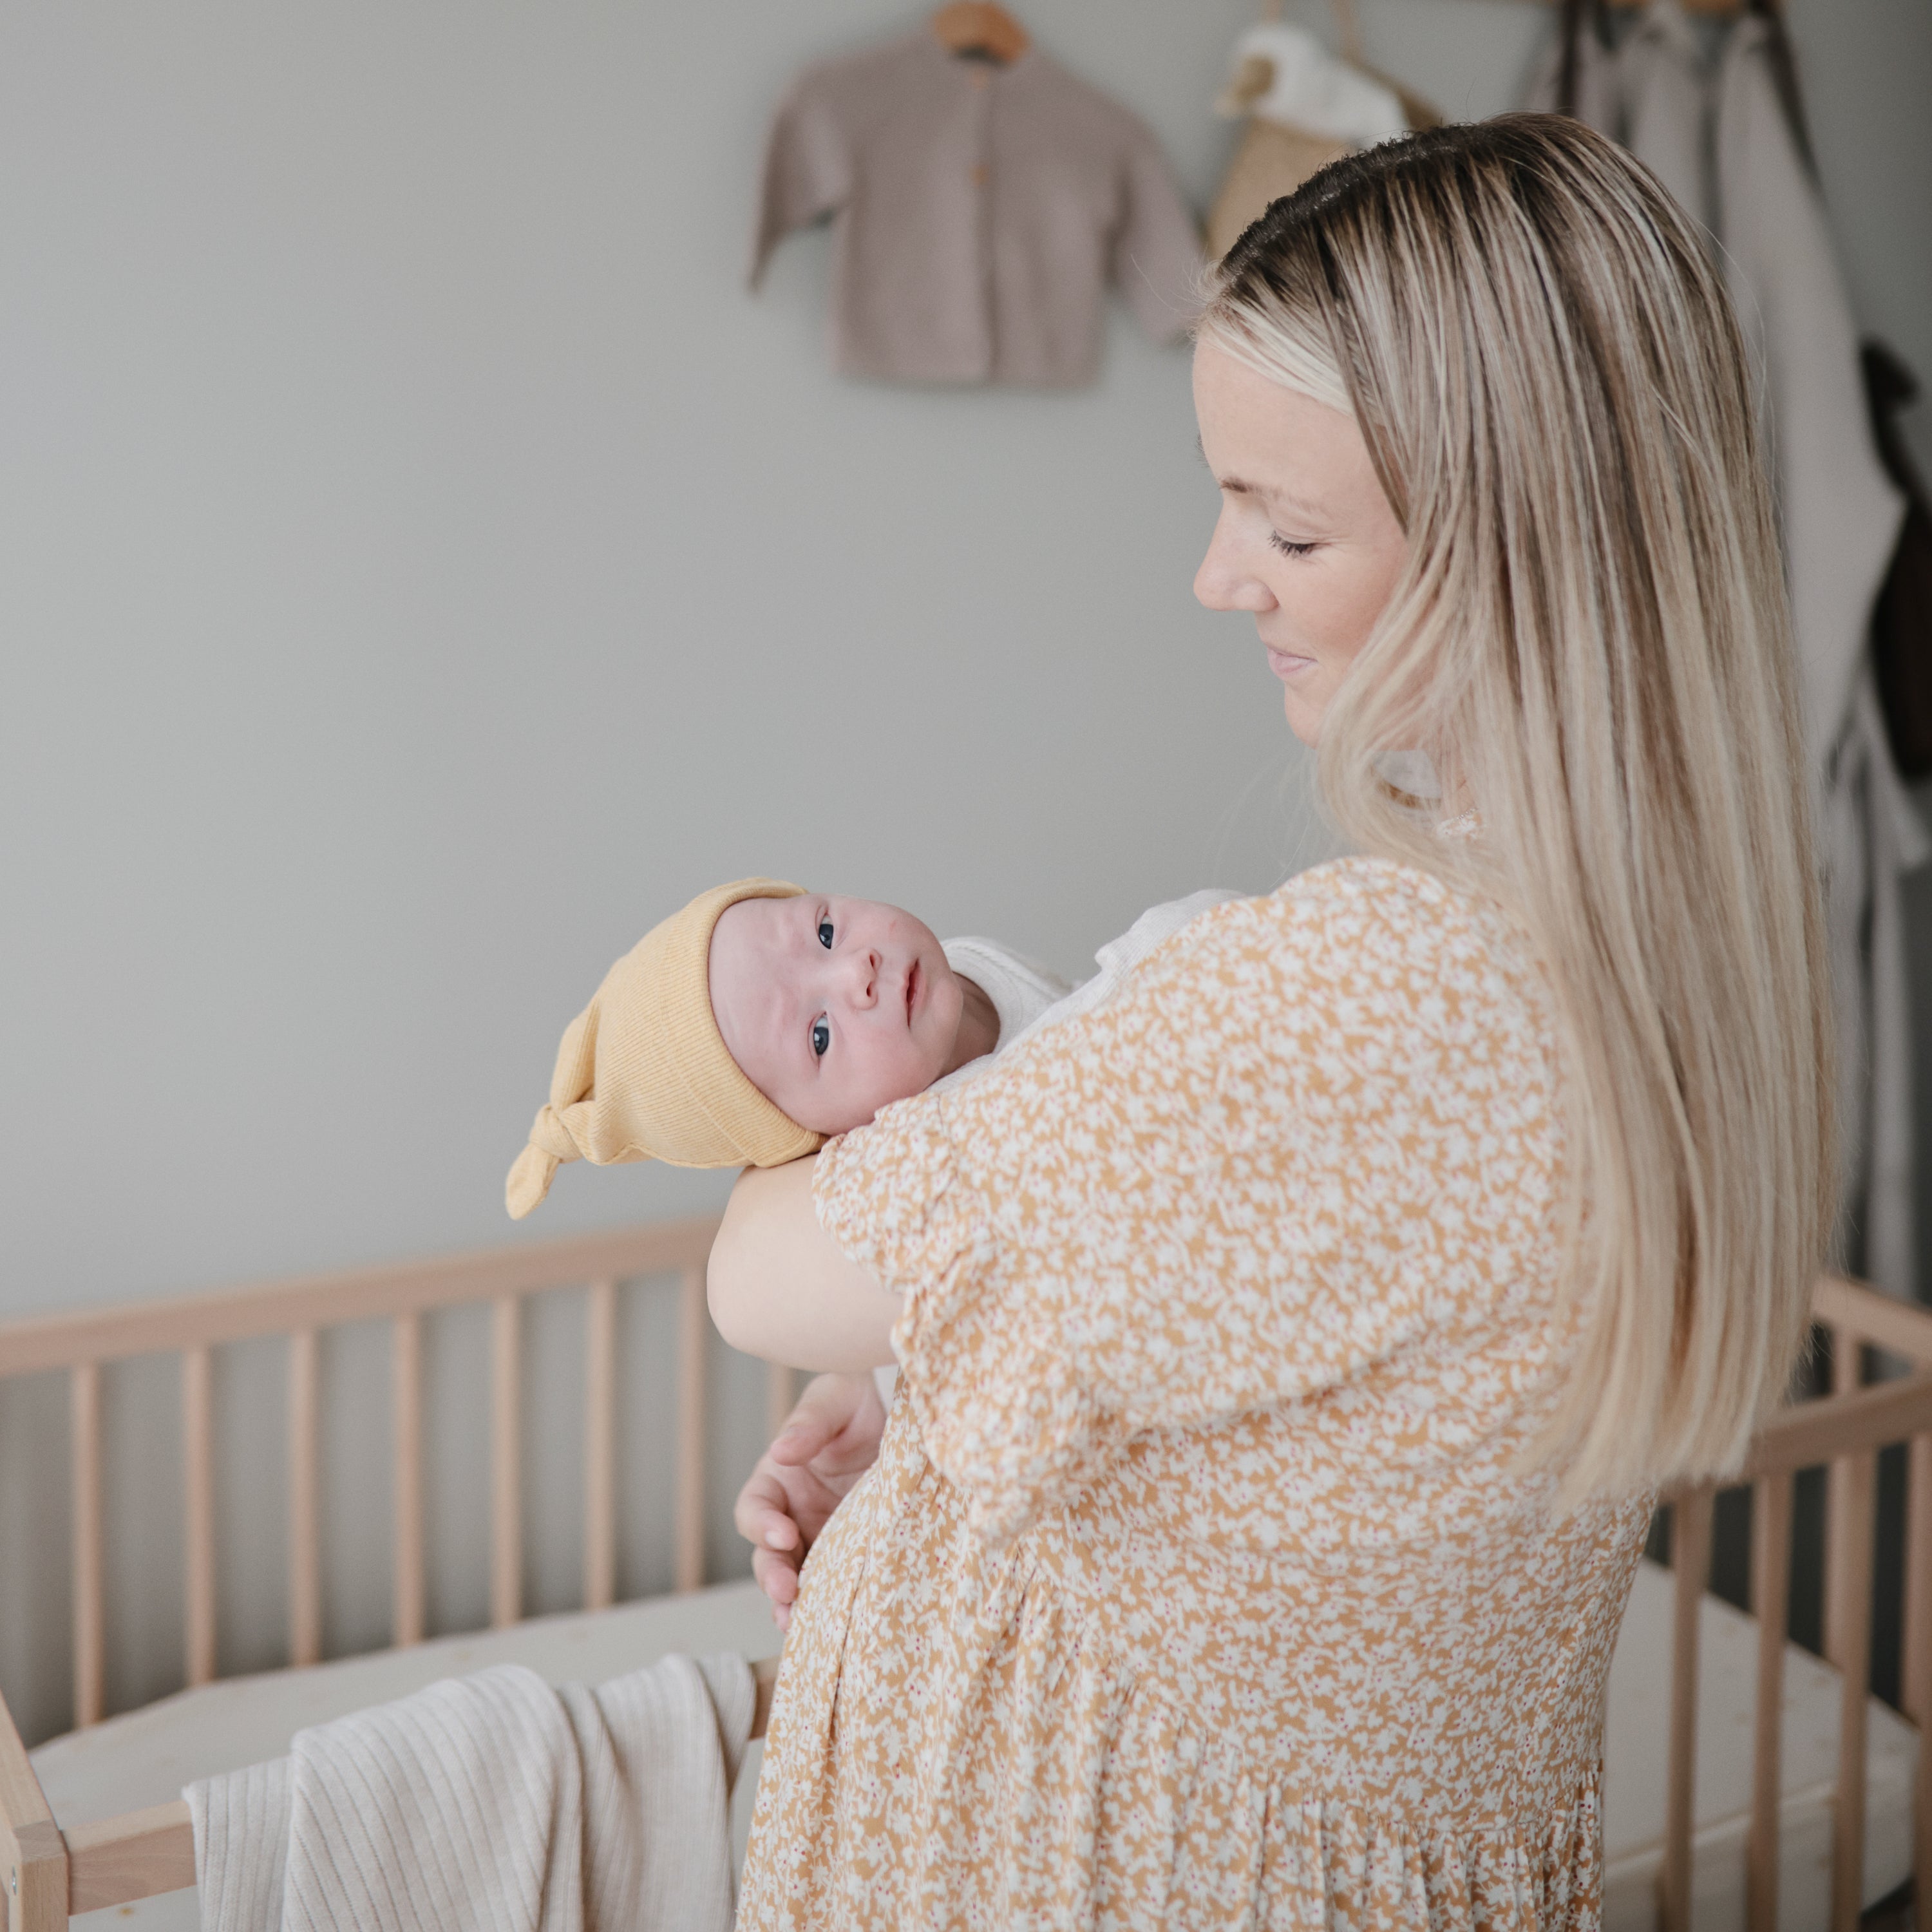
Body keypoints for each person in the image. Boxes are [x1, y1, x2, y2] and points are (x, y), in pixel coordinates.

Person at [711, 115, 1832, 1929]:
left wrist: (830, 1169)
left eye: (1283, 524)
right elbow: (1287, 1407)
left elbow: (760, 1275)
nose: (1220, 579)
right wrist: (931, 1381)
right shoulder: (1661, 967)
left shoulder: (1371, 993)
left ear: (1517, 548)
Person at [503, 877, 1233, 1223]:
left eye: (825, 934)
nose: (857, 972)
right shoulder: (921, 1151)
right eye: (819, 1036)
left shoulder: (957, 968)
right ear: (821, 1140)